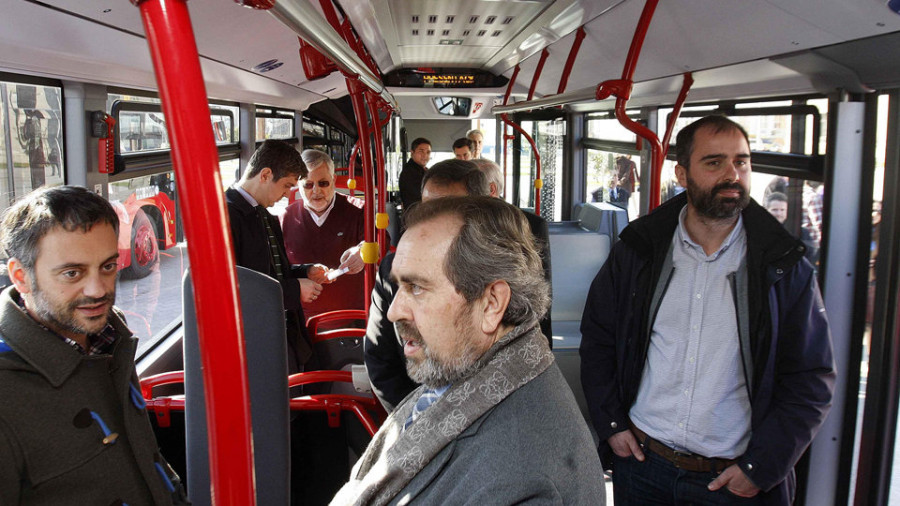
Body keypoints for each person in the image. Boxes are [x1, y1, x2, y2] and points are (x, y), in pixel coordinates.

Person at [580, 115, 835, 505]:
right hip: (643, 462)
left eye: (742, 162)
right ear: (682, 174)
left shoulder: (782, 266)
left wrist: (762, 467)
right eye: (714, 163)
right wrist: (611, 424)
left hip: (731, 481)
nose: (732, 174)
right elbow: (599, 337)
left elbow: (811, 377)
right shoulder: (639, 250)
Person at [333, 196, 606, 505]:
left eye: (417, 288)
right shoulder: (466, 376)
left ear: (491, 304)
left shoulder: (524, 477)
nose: (394, 312)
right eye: (399, 287)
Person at [0, 186, 187, 505]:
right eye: (72, 273)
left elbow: (146, 456)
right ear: (21, 277)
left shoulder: (111, 337)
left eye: (108, 267)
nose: (98, 290)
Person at [364, 160, 490, 411]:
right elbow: (380, 357)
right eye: (428, 207)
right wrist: (413, 420)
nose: (433, 218)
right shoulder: (393, 269)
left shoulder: (498, 270)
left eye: (447, 208)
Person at [224, 139, 330, 375]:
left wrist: (305, 271)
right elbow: (232, 289)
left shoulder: (266, 216)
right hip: (250, 341)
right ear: (265, 174)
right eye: (286, 186)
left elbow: (275, 270)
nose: (285, 195)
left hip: (279, 331)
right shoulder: (225, 216)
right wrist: (294, 290)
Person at [471, 157, 553, 342]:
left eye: (472, 185)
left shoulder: (532, 224)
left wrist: (543, 340)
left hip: (517, 324)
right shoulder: (464, 222)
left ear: (491, 189)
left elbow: (542, 285)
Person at [283, 149, 367, 320]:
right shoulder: (284, 218)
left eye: (323, 183)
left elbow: (380, 239)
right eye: (308, 184)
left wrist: (362, 251)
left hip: (352, 313)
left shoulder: (358, 210)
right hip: (301, 318)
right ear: (298, 184)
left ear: (333, 180)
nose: (316, 191)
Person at [398, 137, 431, 209]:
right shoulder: (410, 172)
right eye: (421, 151)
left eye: (428, 152)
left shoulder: (423, 171)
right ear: (412, 153)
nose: (425, 155)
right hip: (416, 215)